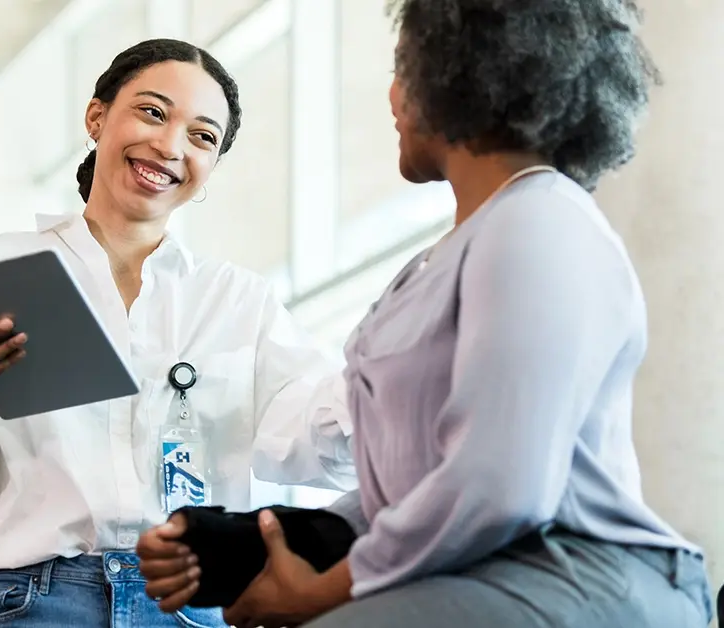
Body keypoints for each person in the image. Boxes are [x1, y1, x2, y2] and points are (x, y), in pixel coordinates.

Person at [139, 1, 715, 627]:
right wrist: (260, 538)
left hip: (578, 573)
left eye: (402, 70)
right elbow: (418, 491)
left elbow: (494, 485)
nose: (391, 95)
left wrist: (318, 593)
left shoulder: (540, 221)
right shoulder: (439, 263)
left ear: (455, 77)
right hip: (473, 573)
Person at [0, 38, 357, 628]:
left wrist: (398, 366)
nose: (170, 145)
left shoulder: (237, 300)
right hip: (39, 601)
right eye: (153, 112)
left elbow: (315, 439)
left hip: (189, 600)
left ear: (210, 169)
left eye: (202, 136)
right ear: (97, 116)